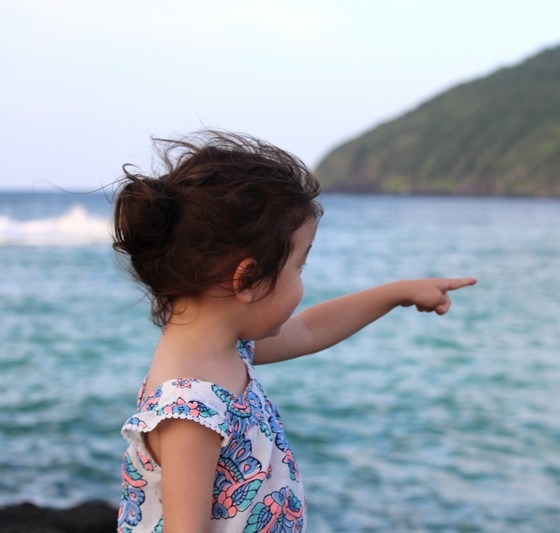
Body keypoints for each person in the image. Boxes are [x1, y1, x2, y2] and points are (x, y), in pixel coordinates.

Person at [112, 131, 476, 532]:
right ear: (248, 279)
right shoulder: (190, 411)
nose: (301, 280)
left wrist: (396, 293)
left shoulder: (224, 352)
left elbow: (309, 330)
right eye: (298, 267)